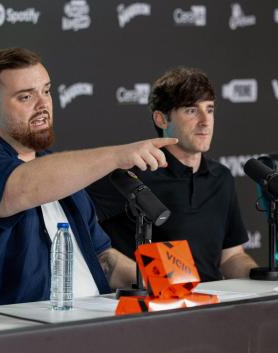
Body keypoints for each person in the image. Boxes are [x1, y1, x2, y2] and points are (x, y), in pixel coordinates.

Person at [0, 48, 178, 307]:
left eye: (46, 91)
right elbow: (22, 187)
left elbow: (102, 258)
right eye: (26, 97)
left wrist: (160, 283)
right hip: (0, 328)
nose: (43, 105)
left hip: (91, 320)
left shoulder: (60, 172)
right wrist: (117, 156)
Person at [87, 67, 257, 282]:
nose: (205, 121)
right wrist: (139, 277)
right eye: (191, 111)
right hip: (152, 309)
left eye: (210, 109)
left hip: (213, 305)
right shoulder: (131, 176)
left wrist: (259, 276)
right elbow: (80, 231)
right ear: (161, 119)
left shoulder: (221, 177)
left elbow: (231, 256)